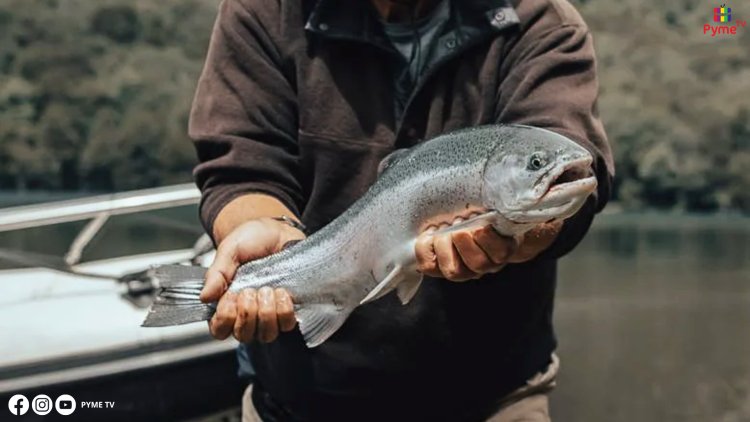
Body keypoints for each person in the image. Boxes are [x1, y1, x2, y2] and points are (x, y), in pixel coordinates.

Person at [188, 0, 614, 420]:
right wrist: (257, 222)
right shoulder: (265, 11)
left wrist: (522, 235)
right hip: (300, 397)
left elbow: (568, 151)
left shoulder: (540, 20)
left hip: (490, 399)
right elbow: (241, 167)